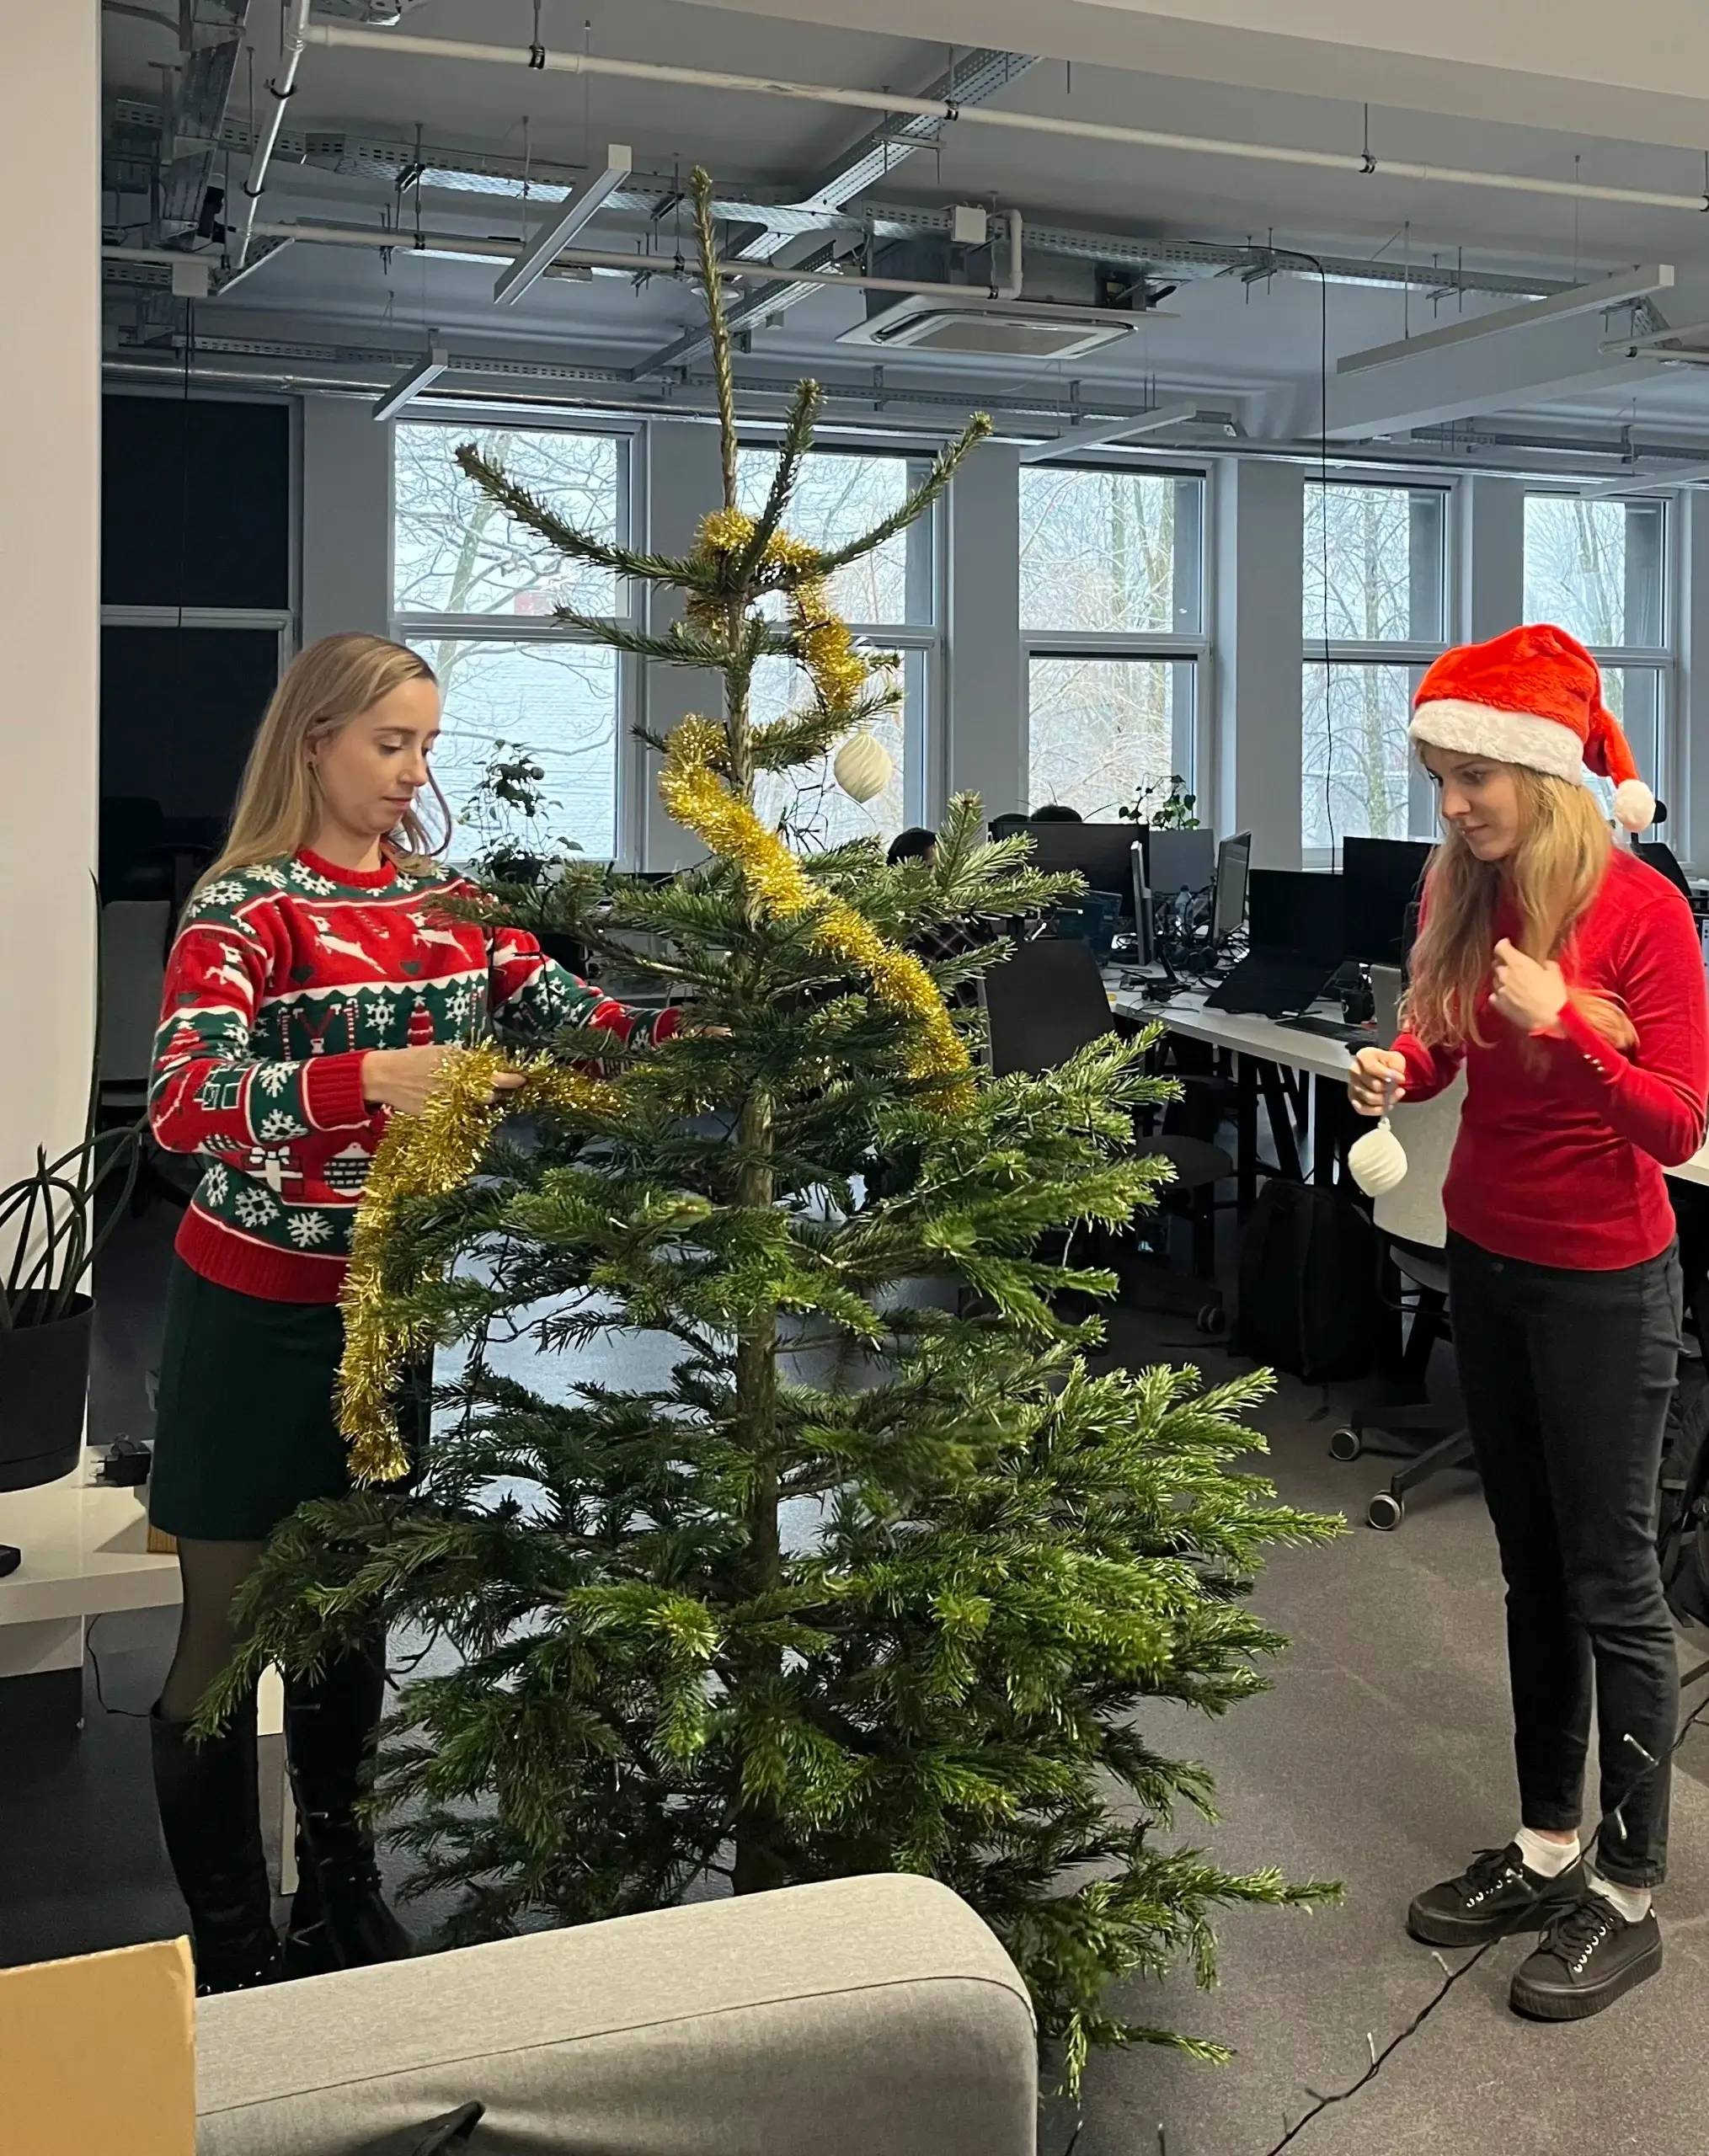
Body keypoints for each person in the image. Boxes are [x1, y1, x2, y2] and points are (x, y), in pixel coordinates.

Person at [146, 633, 684, 1993]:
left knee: (353, 1608)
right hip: (251, 1318)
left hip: (391, 1311)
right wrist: (365, 1078)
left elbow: (582, 1020)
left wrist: (722, 1030)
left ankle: (340, 1890)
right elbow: (182, 1104)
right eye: (389, 743)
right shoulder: (245, 911)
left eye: (427, 746)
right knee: (226, 1631)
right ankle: (229, 1950)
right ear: (314, 740)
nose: (411, 773)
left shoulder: (452, 906)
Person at [1349, 623, 1708, 2023]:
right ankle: (1548, 1845)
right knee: (1529, 1569)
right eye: (1439, 779)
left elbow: (1679, 1121)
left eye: (1470, 780)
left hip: (1610, 1285)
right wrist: (1403, 1063)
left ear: (1540, 775)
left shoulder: (1643, 915)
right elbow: (1447, 1037)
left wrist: (1575, 1027)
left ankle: (1627, 1897)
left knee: (1614, 1583)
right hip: (1487, 1261)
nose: (1450, 806)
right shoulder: (1470, 891)